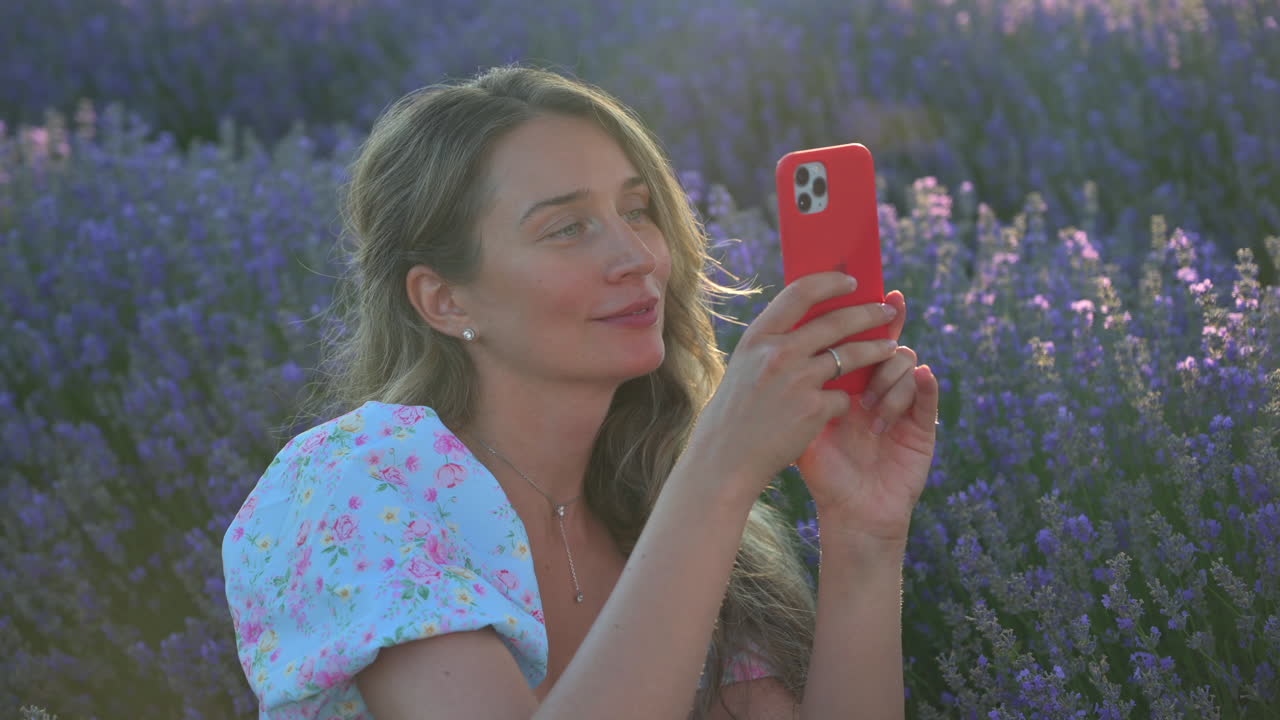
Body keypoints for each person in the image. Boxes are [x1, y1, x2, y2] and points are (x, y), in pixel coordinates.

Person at [221, 64, 938, 720]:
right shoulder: (356, 485)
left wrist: (862, 536)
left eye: (636, 210)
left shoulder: (658, 502)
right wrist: (719, 471)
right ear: (444, 302)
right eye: (567, 228)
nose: (636, 258)